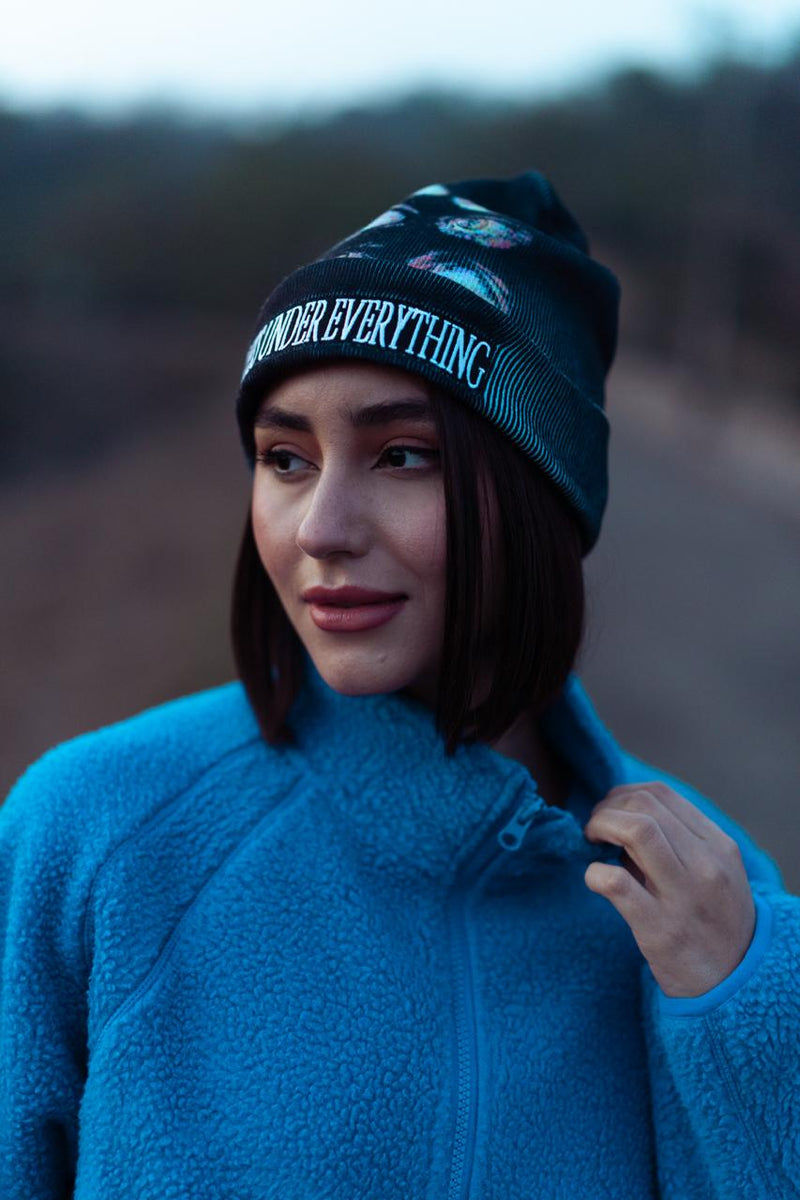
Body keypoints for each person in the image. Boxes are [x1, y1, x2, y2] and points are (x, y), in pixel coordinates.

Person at [0, 171, 796, 1199]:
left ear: (541, 492)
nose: (321, 529)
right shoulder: (95, 835)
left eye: (403, 456)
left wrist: (739, 1009)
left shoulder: (710, 912)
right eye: (285, 459)